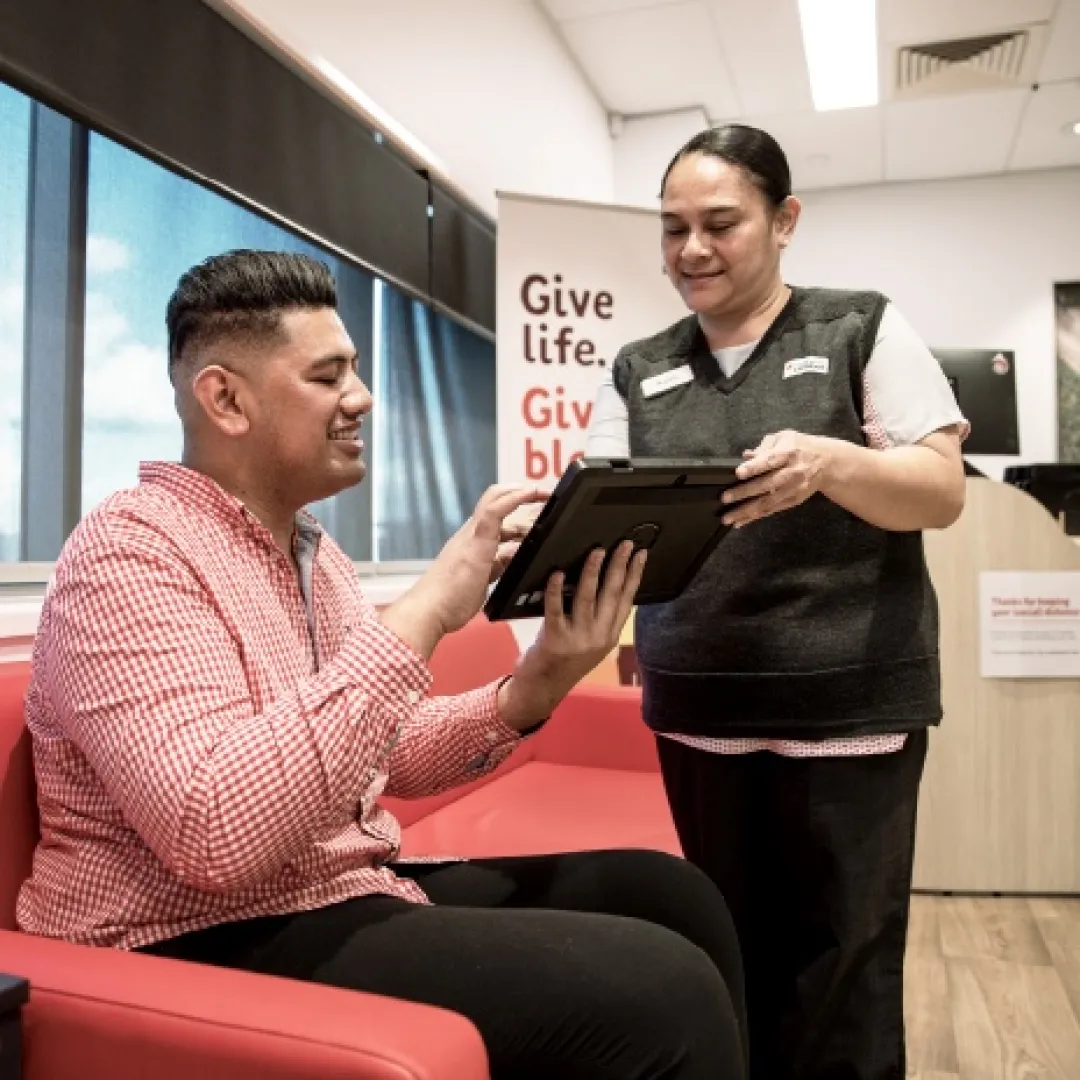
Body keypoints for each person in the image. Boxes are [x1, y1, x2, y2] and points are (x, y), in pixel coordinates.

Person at [19, 250, 747, 1080]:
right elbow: (214, 832)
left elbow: (382, 758)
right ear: (225, 399)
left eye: (356, 371)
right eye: (328, 377)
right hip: (180, 937)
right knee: (663, 992)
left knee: (674, 897)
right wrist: (427, 612)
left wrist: (537, 681)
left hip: (325, 891)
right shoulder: (126, 554)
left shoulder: (311, 555)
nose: (361, 397)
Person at [586, 125, 968, 1080]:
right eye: (672, 228)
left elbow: (941, 488)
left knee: (845, 971)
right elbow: (597, 505)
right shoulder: (636, 367)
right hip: (701, 715)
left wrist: (833, 463)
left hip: (848, 711)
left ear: (785, 219)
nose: (691, 251)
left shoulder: (860, 326)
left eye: (720, 223)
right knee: (732, 965)